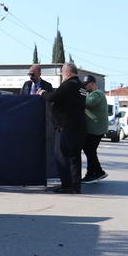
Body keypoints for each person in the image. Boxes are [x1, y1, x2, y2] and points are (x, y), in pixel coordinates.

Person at [46, 63, 87, 194]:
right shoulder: (81, 86)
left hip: (67, 127)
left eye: (62, 73)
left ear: (67, 73)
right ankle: (75, 186)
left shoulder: (68, 85)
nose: (62, 76)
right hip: (79, 127)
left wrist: (43, 93)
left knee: (61, 155)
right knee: (75, 157)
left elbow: (52, 97)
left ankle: (66, 185)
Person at [81, 75, 108, 183]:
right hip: (94, 129)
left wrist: (79, 95)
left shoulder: (97, 94)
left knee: (89, 150)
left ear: (92, 83)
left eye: (85, 85)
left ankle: (92, 173)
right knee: (89, 150)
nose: (84, 87)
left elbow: (88, 103)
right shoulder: (92, 94)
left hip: (96, 129)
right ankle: (98, 172)